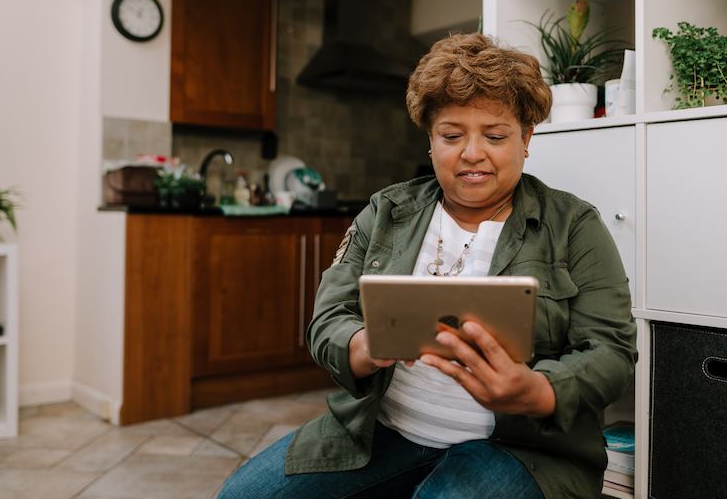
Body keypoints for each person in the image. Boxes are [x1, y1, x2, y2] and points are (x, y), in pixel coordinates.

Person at [219, 33, 636, 498]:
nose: (472, 153)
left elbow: (612, 351)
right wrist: (365, 344)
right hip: (382, 433)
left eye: (495, 135)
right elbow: (328, 319)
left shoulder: (574, 225)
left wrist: (535, 391)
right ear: (430, 141)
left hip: (518, 449)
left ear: (526, 138)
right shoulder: (386, 212)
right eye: (451, 135)